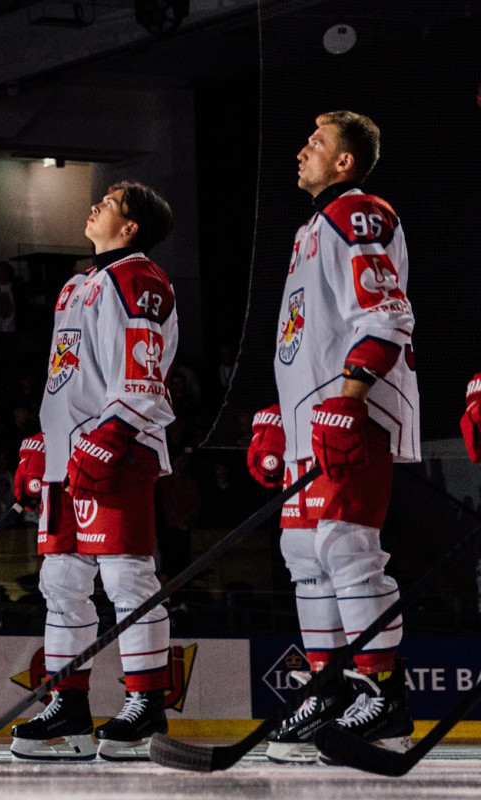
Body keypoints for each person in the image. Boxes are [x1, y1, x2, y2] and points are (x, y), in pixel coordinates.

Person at [251, 111, 419, 762]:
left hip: (351, 417)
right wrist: (279, 414)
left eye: (315, 144)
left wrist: (349, 401)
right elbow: (310, 339)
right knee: (304, 555)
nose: (301, 151)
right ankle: (329, 690)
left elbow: (385, 316)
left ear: (344, 163)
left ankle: (384, 698)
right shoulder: (314, 227)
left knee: (347, 546)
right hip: (310, 424)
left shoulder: (358, 212)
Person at [9, 181, 179, 761]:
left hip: (118, 451)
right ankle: (69, 708)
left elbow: (143, 375)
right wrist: (42, 442)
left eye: (109, 202)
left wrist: (108, 438)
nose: (95, 206)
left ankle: (146, 705)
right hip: (68, 459)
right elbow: (67, 379)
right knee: (60, 584)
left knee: (127, 580)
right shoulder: (76, 286)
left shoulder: (140, 278)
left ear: (131, 227)